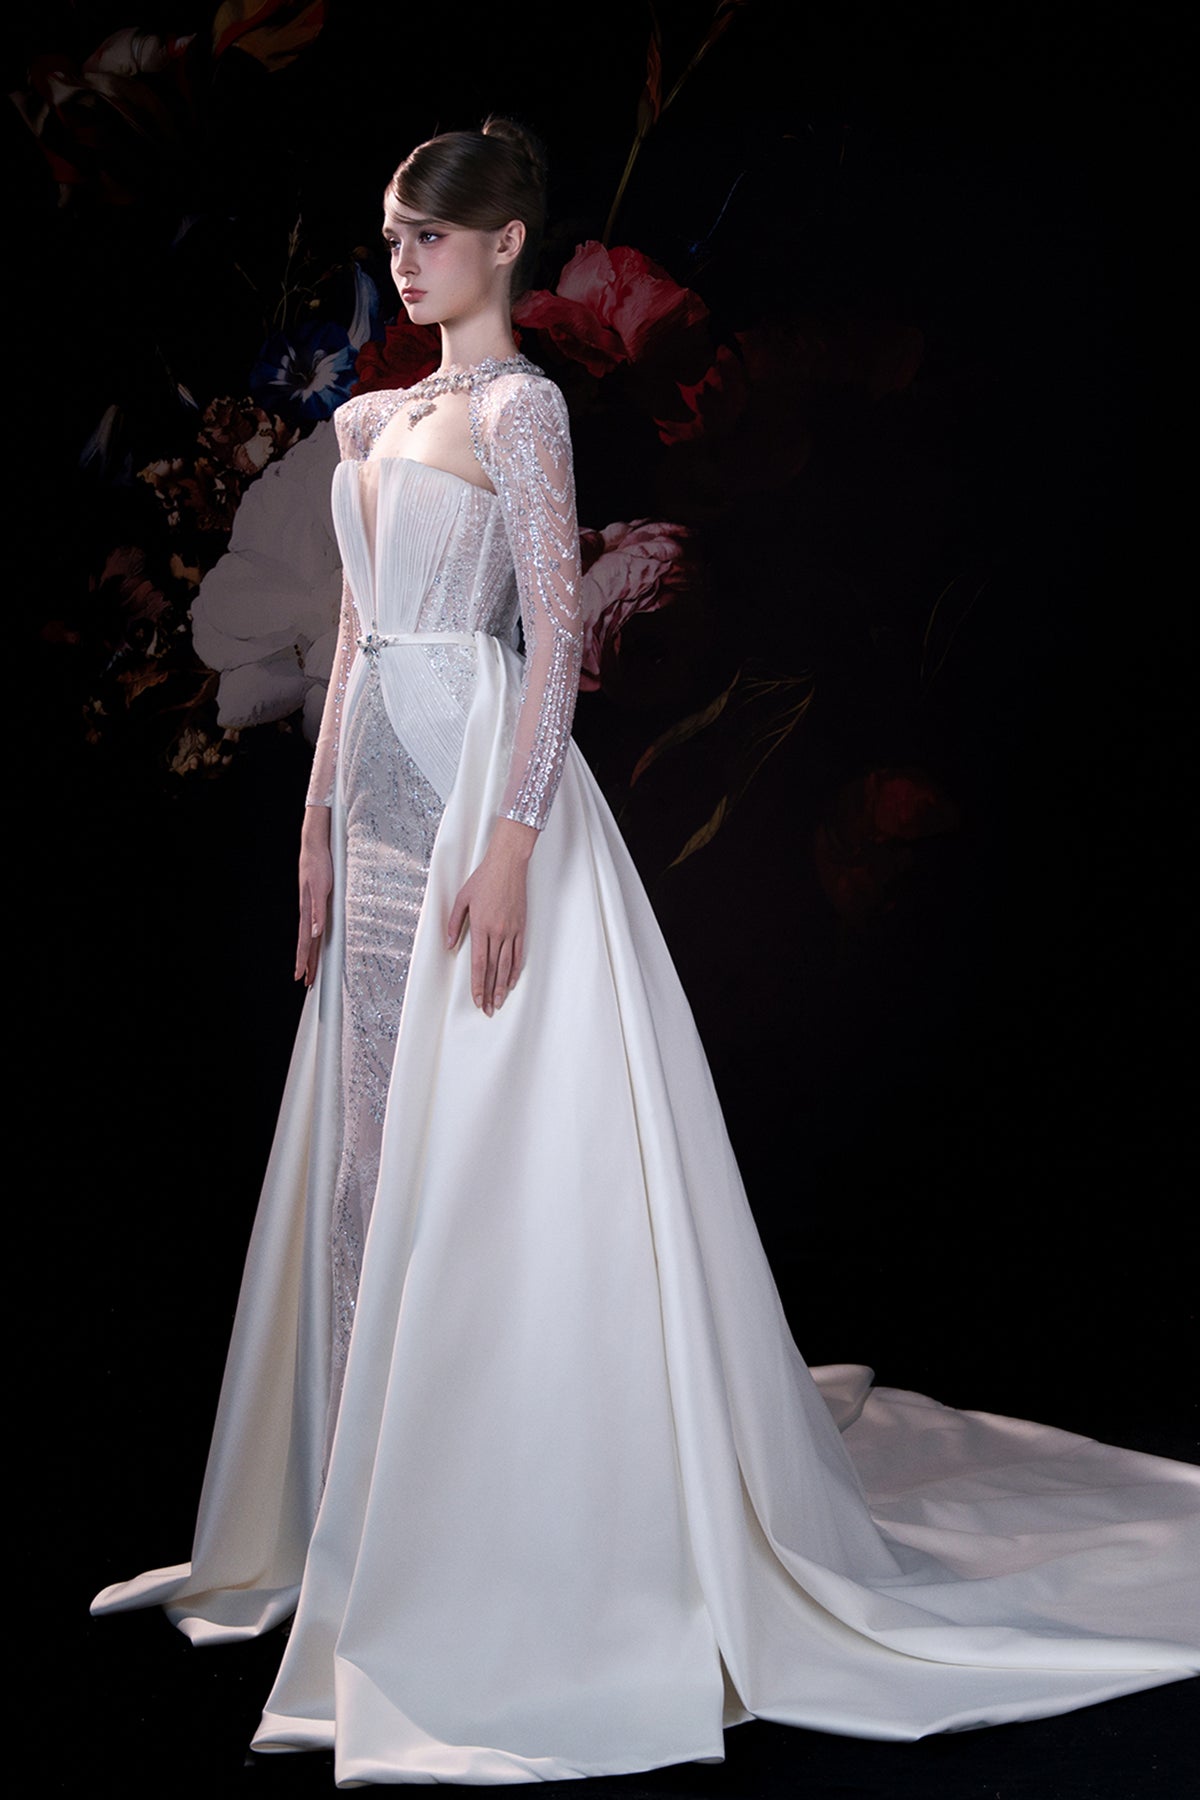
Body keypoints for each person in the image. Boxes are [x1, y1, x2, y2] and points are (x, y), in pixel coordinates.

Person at [93, 119, 1199, 1787]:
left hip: (484, 779)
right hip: (378, 793)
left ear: (507, 244)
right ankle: (347, 1507)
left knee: (484, 1147)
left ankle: (477, 1522)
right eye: (392, 237)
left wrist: (514, 840)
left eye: (431, 236)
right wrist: (315, 834)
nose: (405, 262)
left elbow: (551, 635)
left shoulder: (525, 411)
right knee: (363, 1153)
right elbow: (357, 636)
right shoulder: (365, 420)